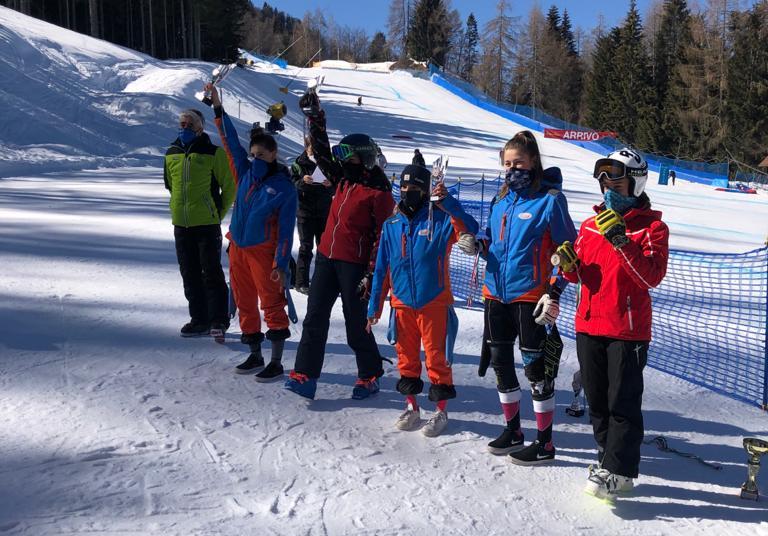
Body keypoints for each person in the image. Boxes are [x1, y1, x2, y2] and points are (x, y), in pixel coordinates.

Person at [458, 130, 577, 465]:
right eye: (508, 164)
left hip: (531, 296)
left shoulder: (550, 200)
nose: (512, 169)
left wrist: (554, 293)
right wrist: (478, 245)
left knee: (536, 369)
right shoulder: (500, 201)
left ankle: (545, 442)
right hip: (495, 293)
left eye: (519, 163)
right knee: (500, 363)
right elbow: (494, 244)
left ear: (533, 162)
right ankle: (513, 430)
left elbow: (569, 253)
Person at [559, 148, 669, 502]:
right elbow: (582, 276)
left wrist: (621, 240)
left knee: (622, 402)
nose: (609, 191)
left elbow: (650, 278)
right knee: (597, 400)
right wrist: (569, 266)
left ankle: (620, 471)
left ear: (635, 184)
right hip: (589, 324)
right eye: (605, 185)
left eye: (617, 185)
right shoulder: (590, 225)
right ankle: (608, 459)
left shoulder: (652, 229)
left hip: (627, 330)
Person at [284, 87, 395, 400]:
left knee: (356, 323)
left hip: (354, 265)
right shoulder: (343, 179)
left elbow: (382, 237)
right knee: (315, 317)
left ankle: (369, 374)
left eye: (350, 157)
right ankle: (304, 375)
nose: (344, 162)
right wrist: (316, 118)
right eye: (343, 158)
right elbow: (321, 153)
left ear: (365, 159)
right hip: (327, 257)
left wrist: (371, 275)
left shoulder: (378, 193)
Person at [367, 165, 479, 437]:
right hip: (402, 303)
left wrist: (448, 203)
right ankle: (411, 406)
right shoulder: (391, 225)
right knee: (406, 358)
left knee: (436, 358)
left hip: (434, 301)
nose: (408, 192)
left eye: (415, 188)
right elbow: (381, 268)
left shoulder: (440, 220)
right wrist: (374, 306)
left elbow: (470, 228)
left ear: (426, 191)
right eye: (404, 187)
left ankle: (440, 411)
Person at [208, 84, 298, 382]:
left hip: (264, 254)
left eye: (262, 153)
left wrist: (280, 263)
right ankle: (255, 354)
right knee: (245, 302)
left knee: (271, 303)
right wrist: (218, 108)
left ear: (274, 154)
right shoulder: (244, 173)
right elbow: (230, 141)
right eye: (253, 153)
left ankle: (276, 361)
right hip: (239, 250)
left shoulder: (284, 188)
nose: (256, 157)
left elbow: (286, 231)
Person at [164, 108, 236, 338]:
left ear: (200, 127)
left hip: (206, 224)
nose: (185, 127)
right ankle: (199, 319)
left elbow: (229, 187)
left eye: (190, 124)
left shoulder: (213, 153)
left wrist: (216, 213)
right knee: (189, 273)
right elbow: (170, 184)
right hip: (181, 224)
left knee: (211, 272)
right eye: (182, 124)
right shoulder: (171, 153)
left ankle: (218, 320)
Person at [291, 136, 335, 294]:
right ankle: (301, 282)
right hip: (305, 212)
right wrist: (302, 181)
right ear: (307, 147)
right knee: (306, 247)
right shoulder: (299, 163)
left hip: (324, 211)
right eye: (312, 149)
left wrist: (330, 185)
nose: (315, 152)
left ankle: (321, 282)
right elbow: (292, 183)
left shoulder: (327, 163)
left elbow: (337, 187)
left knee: (323, 248)